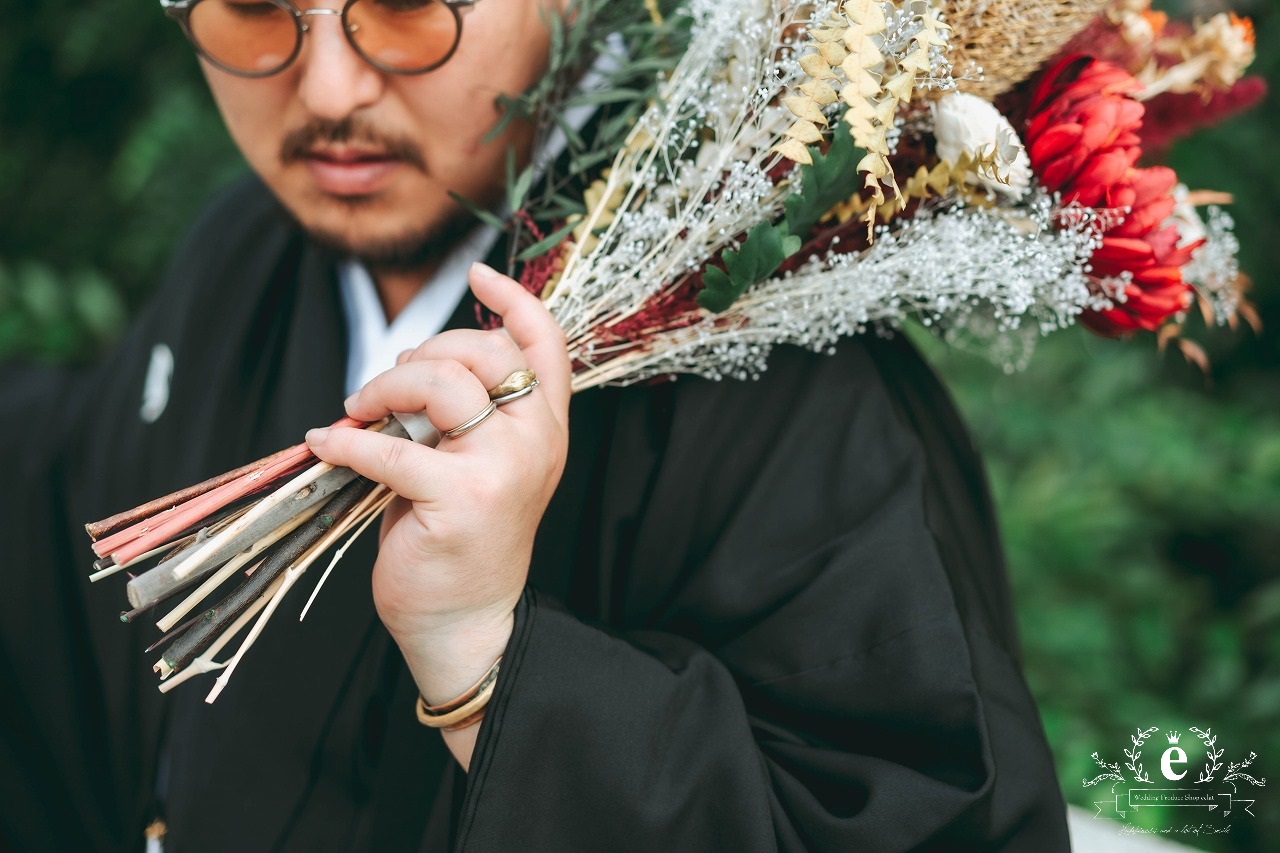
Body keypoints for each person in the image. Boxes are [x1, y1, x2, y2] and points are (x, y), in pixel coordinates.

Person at [0, 0, 1072, 849]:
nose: (324, 86)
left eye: (411, 3)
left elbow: (926, 816)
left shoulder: (779, 372)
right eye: (246, 5)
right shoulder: (249, 253)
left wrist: (490, 664)